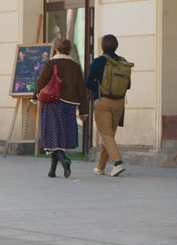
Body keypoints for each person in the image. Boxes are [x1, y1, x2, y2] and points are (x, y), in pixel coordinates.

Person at [34, 39, 88, 178]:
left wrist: (35, 95)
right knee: (62, 135)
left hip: (51, 103)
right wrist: (83, 111)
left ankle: (64, 160)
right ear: (69, 50)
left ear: (56, 49)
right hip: (69, 104)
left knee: (52, 135)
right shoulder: (75, 66)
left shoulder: (51, 63)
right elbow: (81, 90)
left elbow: (42, 81)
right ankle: (52, 170)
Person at [86, 34, 129, 176]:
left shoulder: (99, 61)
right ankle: (100, 167)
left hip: (103, 102)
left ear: (102, 46)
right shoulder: (123, 62)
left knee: (105, 134)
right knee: (109, 135)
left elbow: (89, 83)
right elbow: (127, 85)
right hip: (120, 102)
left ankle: (117, 163)